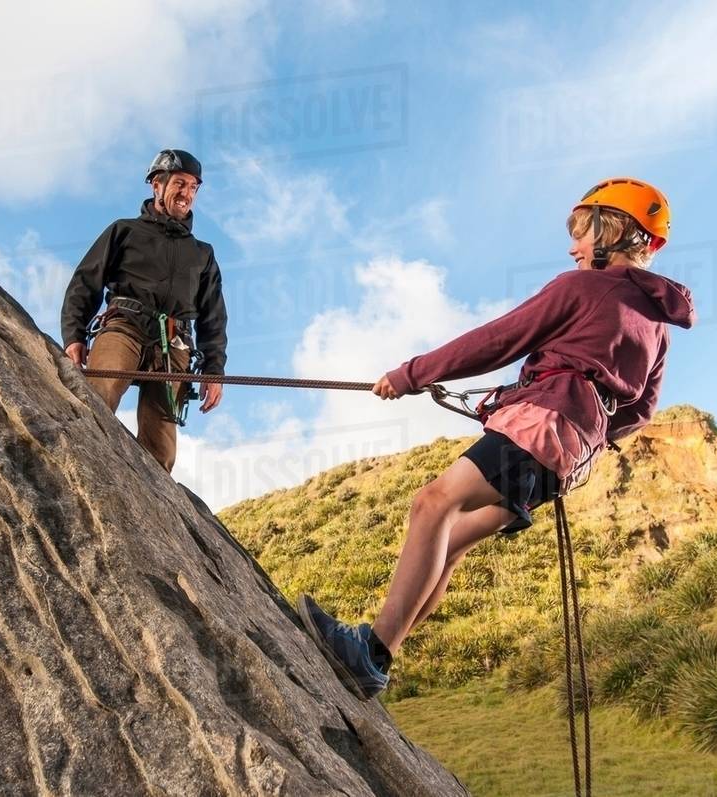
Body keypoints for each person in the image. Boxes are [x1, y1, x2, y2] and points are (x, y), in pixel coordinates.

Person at [297, 177, 696, 700]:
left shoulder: (583, 287)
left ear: (612, 231)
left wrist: (411, 374)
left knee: (432, 503)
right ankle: (379, 654)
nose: (573, 246)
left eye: (582, 233)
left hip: (538, 424)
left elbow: (500, 339)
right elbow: (640, 411)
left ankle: (370, 655)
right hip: (569, 458)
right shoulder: (656, 324)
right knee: (454, 538)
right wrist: (585, 424)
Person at [61, 149, 228, 472]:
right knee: (98, 395)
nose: (187, 194)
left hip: (175, 343)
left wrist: (214, 370)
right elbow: (85, 283)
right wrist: (74, 336)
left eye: (194, 187)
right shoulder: (124, 232)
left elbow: (213, 317)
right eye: (180, 184)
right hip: (124, 326)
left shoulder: (202, 254)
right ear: (157, 185)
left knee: (162, 450)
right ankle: (79, 470)